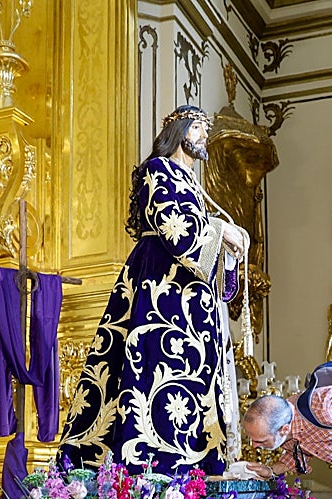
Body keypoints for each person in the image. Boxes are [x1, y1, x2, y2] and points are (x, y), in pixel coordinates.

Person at [58, 105, 249, 476]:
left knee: (193, 371)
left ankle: (196, 459)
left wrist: (227, 244)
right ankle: (150, 463)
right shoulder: (157, 169)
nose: (203, 136)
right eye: (198, 128)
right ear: (179, 132)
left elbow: (199, 232)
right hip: (160, 283)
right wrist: (218, 230)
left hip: (191, 296)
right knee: (153, 363)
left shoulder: (194, 182)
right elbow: (173, 224)